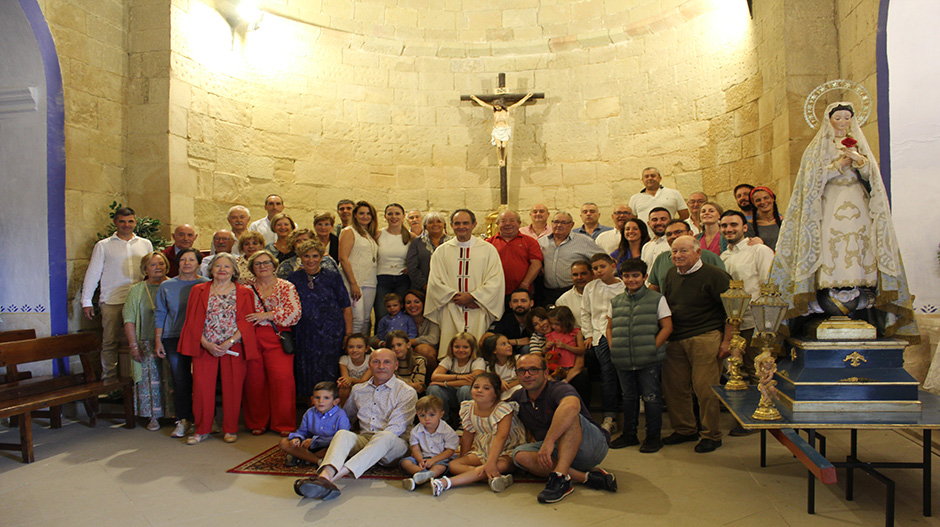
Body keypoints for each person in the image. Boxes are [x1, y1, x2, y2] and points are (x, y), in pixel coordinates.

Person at [769, 101, 918, 341]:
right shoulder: (818, 147)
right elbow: (811, 181)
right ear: (829, 120)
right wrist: (837, 166)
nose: (842, 122)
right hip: (830, 204)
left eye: (846, 118)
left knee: (859, 247)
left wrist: (860, 161)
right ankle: (829, 293)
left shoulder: (860, 145)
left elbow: (873, 178)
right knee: (832, 248)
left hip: (858, 203)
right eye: (837, 118)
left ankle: (858, 293)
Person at [294, 348, 417, 501]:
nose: (381, 366)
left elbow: (396, 429)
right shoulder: (358, 390)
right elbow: (346, 418)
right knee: (343, 434)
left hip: (394, 447)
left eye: (387, 362)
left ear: (396, 365)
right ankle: (325, 475)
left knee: (385, 436)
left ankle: (330, 479)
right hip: (366, 440)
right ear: (369, 365)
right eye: (376, 362)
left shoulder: (407, 392)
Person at [510, 353, 616, 504]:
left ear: (545, 373)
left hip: (591, 446)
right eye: (522, 371)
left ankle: (559, 477)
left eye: (534, 369)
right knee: (519, 455)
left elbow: (572, 406)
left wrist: (548, 441)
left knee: (570, 414)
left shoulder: (558, 388)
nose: (527, 375)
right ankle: (584, 478)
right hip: (558, 451)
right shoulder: (517, 397)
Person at [659, 236, 732, 453]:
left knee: (705, 388)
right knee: (675, 387)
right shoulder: (671, 274)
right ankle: (685, 429)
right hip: (676, 338)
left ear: (698, 253)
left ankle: (711, 434)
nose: (677, 256)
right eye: (674, 252)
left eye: (683, 251)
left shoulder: (715, 275)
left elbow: (733, 310)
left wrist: (727, 341)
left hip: (706, 336)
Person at [179, 252, 259, 445]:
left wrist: (229, 342)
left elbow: (248, 323)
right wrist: (206, 344)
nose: (222, 270)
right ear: (211, 269)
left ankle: (230, 429)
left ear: (234, 271)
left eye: (227, 267)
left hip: (233, 346)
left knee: (233, 388)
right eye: (218, 266)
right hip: (205, 346)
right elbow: (191, 322)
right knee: (201, 389)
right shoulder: (198, 290)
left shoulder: (245, 292)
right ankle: (202, 429)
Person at [606, 258, 673, 452]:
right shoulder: (616, 301)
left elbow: (667, 327)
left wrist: (653, 347)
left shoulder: (657, 299)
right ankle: (629, 434)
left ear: (644, 277)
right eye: (626, 276)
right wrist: (613, 346)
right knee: (628, 397)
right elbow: (609, 327)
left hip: (649, 359)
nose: (631, 280)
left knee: (651, 397)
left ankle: (653, 436)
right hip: (622, 358)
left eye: (635, 276)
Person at [82, 206, 154, 382]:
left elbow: (151, 271)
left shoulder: (145, 244)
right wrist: (86, 301)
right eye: (122, 221)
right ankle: (110, 380)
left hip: (138, 300)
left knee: (140, 340)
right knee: (110, 341)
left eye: (130, 221)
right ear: (115, 222)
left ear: (135, 222)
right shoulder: (103, 246)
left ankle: (140, 379)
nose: (126, 225)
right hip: (113, 300)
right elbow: (93, 273)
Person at [430, 372, 526, 496]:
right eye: (476, 387)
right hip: (482, 450)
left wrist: (490, 463)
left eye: (486, 388)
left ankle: (445, 483)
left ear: (496, 393)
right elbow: (467, 436)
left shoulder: (504, 409)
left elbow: (501, 437)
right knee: (453, 465)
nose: (479, 390)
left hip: (506, 451)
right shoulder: (468, 408)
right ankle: (495, 478)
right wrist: (464, 457)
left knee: (496, 466)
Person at [425, 209, 505, 353]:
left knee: (477, 352)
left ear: (474, 224)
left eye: (465, 223)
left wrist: (473, 297)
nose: (461, 227)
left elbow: (496, 280)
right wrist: (456, 297)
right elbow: (435, 281)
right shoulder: (441, 251)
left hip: (477, 307)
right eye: (457, 223)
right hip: (450, 307)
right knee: (451, 349)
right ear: (451, 225)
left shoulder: (488, 250)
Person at [243, 250, 302, 436]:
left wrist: (268, 315)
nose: (263, 266)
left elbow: (295, 314)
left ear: (274, 265)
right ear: (252, 268)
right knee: (254, 381)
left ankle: (283, 423)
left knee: (282, 380)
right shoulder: (246, 289)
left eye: (266, 262)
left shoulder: (286, 287)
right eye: (258, 264)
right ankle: (257, 422)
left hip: (277, 337)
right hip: (251, 338)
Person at [288, 240, 352, 401]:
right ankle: (310, 409)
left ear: (321, 257)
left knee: (328, 369)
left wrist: (348, 334)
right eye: (306, 256)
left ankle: (329, 406)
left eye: (315, 256)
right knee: (305, 369)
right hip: (304, 332)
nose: (311, 260)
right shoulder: (294, 278)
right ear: (300, 257)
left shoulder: (332, 277)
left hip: (331, 333)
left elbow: (345, 305)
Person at [154, 248, 208, 438]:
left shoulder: (206, 284)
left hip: (202, 338)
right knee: (180, 379)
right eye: (183, 260)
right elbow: (160, 313)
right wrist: (158, 340)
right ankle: (183, 419)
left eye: (191, 260)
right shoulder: (167, 286)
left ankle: (206, 419)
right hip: (173, 336)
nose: (187, 263)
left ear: (198, 263)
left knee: (203, 380)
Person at [719, 210, 774, 391]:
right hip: (732, 322)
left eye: (734, 225)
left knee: (756, 369)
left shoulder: (759, 250)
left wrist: (765, 324)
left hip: (754, 321)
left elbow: (769, 285)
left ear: (744, 227)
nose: (729, 229)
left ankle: (762, 410)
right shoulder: (723, 256)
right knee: (734, 371)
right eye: (724, 225)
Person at [122, 252, 172, 431]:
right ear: (145, 269)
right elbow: (129, 318)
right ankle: (154, 416)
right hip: (146, 341)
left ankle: (175, 415)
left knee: (172, 378)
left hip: (172, 340)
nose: (157, 267)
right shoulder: (137, 290)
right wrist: (133, 345)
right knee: (150, 381)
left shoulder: (174, 285)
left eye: (161, 264)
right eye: (152, 265)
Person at [580, 253, 624, 436]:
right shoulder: (590, 287)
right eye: (595, 268)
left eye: (602, 267)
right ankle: (609, 415)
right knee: (608, 371)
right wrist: (588, 334)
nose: (598, 271)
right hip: (599, 334)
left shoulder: (624, 285)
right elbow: (585, 313)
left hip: (621, 333)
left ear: (612, 265)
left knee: (619, 371)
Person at [538, 211, 603, 307]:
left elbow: (602, 259)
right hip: (548, 293)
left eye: (564, 222)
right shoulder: (541, 242)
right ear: (551, 223)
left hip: (574, 291)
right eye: (556, 222)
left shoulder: (584, 241)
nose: (559, 225)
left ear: (572, 225)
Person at [279, 381, 350, 467]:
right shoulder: (309, 413)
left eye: (326, 398)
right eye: (317, 397)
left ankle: (303, 457)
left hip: (328, 445)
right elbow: (302, 431)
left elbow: (344, 438)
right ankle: (318, 461)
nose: (321, 401)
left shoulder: (341, 415)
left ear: (335, 401)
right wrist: (297, 439)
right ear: (312, 400)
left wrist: (315, 441)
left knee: (338, 450)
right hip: (309, 446)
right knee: (284, 442)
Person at [647, 220, 726, 292]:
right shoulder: (661, 258)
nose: (673, 236)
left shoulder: (710, 257)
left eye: (678, 232)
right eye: (669, 234)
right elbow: (654, 288)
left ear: (690, 234)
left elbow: (723, 286)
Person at [400, 394, 458, 491]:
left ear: (441, 414)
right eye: (422, 415)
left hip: (440, 458)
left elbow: (449, 451)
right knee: (405, 462)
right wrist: (420, 460)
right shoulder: (415, 431)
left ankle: (423, 477)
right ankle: (421, 474)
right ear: (417, 415)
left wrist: (434, 460)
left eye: (431, 415)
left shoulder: (447, 431)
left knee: (441, 466)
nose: (427, 419)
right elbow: (415, 448)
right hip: (423, 458)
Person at [338, 200, 379, 335]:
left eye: (368, 214)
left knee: (367, 319)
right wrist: (353, 283)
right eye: (361, 213)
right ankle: (353, 349)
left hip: (370, 281)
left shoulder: (369, 234)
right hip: (354, 281)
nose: (365, 216)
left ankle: (364, 350)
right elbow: (343, 258)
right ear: (355, 215)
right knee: (357, 319)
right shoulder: (349, 231)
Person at [427, 332, 486, 426]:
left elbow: (474, 381)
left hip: (466, 394)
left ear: (472, 348)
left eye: (465, 347)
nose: (461, 350)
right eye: (457, 347)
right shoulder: (449, 360)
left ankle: (466, 422)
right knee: (433, 388)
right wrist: (459, 377)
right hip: (452, 395)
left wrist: (446, 383)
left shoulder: (478, 361)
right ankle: (442, 421)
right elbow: (435, 377)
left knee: (465, 389)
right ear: (452, 348)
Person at [485, 209, 542, 298]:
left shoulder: (530, 242)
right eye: (503, 221)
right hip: (495, 293)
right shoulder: (488, 243)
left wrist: (525, 284)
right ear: (497, 224)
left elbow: (536, 264)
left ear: (519, 223)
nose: (508, 224)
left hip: (523, 292)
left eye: (512, 220)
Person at [468, 92, 534, 166]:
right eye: (495, 106)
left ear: (501, 105)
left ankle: (503, 159)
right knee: (499, 146)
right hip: (497, 130)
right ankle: (500, 159)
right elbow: (484, 104)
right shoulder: (494, 111)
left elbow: (517, 104)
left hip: (505, 130)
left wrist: (527, 97)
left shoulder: (507, 110)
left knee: (504, 146)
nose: (497, 108)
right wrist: (475, 98)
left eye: (498, 106)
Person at [375, 203, 412, 321]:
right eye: (390, 214)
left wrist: (410, 268)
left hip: (402, 280)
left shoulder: (411, 237)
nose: (393, 217)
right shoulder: (378, 234)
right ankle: (381, 339)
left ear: (403, 216)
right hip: (382, 279)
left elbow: (417, 259)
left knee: (401, 315)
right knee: (382, 314)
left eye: (397, 213)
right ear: (385, 216)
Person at [545, 307, 588, 402]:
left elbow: (582, 350)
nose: (554, 327)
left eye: (557, 324)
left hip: (569, 368)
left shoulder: (576, 333)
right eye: (552, 324)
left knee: (580, 381)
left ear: (566, 322)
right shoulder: (551, 335)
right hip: (555, 368)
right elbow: (546, 354)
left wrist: (565, 346)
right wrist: (546, 347)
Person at [405, 211, 449, 291]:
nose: (435, 224)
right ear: (425, 226)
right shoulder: (417, 243)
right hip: (422, 289)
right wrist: (425, 285)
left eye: (439, 221)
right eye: (431, 222)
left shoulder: (452, 243)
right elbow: (412, 267)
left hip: (449, 288)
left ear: (444, 225)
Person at [484, 288, 532, 355]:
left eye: (523, 301)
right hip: (507, 357)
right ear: (510, 304)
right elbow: (485, 341)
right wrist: (516, 342)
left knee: (526, 348)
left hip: (534, 355)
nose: (519, 304)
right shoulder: (505, 319)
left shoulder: (537, 317)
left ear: (531, 303)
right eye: (515, 301)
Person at [403, 289, 442, 370]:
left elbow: (433, 339)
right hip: (405, 351)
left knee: (423, 350)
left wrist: (412, 341)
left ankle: (429, 379)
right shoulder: (399, 319)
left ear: (424, 303)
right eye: (408, 302)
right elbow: (375, 339)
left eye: (417, 302)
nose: (412, 305)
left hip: (430, 353)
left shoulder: (432, 318)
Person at [480, 333, 520, 399]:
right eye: (504, 344)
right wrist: (499, 381)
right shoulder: (490, 367)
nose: (509, 346)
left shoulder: (517, 360)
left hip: (515, 389)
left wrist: (506, 387)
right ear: (494, 350)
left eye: (508, 343)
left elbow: (520, 380)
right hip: (500, 394)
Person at [337, 334, 372, 405]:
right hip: (351, 386)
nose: (354, 350)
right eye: (351, 347)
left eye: (359, 347)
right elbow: (345, 379)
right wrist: (343, 382)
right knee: (344, 386)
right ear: (346, 348)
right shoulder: (344, 360)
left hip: (367, 387)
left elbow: (364, 381)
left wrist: (351, 379)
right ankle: (344, 410)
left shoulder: (371, 359)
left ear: (366, 349)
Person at [748, 186, 782, 251]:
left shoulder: (784, 222)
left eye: (766, 198)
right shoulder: (750, 226)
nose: (763, 202)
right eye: (758, 200)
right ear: (754, 204)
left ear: (773, 199)